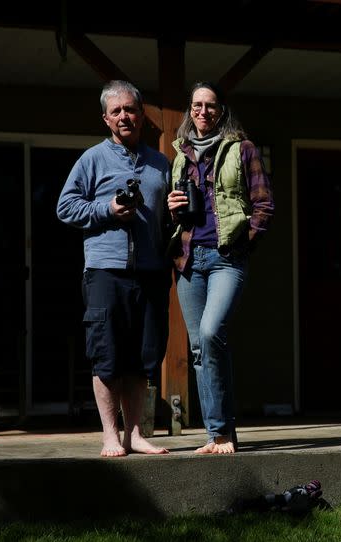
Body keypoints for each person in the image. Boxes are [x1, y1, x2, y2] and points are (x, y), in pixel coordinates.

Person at [57, 80, 171, 457]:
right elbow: (66, 207)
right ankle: (110, 434)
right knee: (107, 355)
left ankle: (135, 434)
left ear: (142, 115)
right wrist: (106, 210)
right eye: (117, 111)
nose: (125, 116)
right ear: (106, 119)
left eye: (131, 109)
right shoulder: (91, 159)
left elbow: (171, 219)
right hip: (105, 270)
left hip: (152, 271)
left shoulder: (160, 163)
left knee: (142, 357)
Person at [167, 81, 274, 454]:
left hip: (227, 257)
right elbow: (180, 214)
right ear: (189, 111)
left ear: (221, 111)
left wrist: (244, 243)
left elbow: (263, 204)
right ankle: (215, 436)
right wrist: (174, 207)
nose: (203, 111)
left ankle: (224, 430)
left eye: (210, 105)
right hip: (189, 259)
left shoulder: (243, 149)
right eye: (196, 105)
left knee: (213, 333)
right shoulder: (180, 154)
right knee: (198, 348)